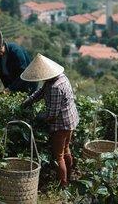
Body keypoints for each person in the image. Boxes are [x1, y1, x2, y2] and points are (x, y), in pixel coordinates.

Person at [21, 53, 79, 187]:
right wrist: (28, 102)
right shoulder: (60, 78)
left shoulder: (55, 87)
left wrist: (38, 118)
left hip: (62, 124)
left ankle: (63, 185)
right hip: (70, 120)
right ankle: (70, 176)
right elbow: (40, 93)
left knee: (58, 155)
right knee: (66, 149)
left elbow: (52, 114)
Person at [0, 28, 36, 93]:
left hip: (27, 86)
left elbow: (24, 74)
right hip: (11, 87)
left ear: (1, 45)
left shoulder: (16, 51)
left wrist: (10, 89)